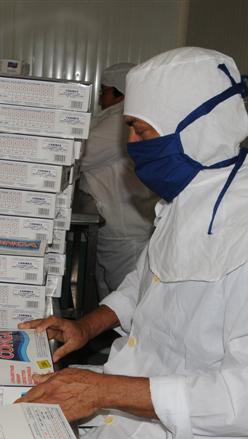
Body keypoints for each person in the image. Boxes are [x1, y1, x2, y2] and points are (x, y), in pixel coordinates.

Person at [19, 47, 248, 439]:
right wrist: (87, 327)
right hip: (134, 411)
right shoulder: (190, 197)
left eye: (144, 132)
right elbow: (146, 281)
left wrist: (103, 391)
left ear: (198, 128)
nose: (136, 147)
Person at [76, 62, 158, 299]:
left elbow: (79, 155)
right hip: (111, 226)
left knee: (129, 302)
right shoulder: (110, 117)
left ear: (119, 92)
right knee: (110, 297)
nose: (101, 97)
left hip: (126, 232)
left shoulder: (118, 124)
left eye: (104, 91)